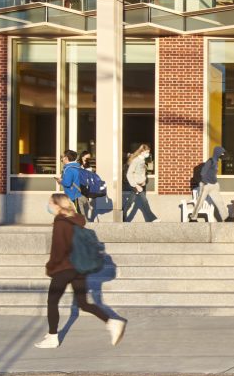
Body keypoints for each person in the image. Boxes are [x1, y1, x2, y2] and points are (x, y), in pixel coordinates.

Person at [34, 193, 125, 350]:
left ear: (57, 205)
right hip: (79, 268)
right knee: (83, 303)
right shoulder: (75, 220)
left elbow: (59, 248)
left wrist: (51, 267)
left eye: (50, 203)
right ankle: (112, 322)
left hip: (64, 267)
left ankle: (53, 337)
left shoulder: (60, 222)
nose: (49, 206)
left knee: (52, 302)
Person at [124, 144, 157, 223]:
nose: (148, 154)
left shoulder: (142, 161)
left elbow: (141, 173)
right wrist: (135, 185)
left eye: (148, 152)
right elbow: (129, 174)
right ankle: (152, 218)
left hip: (141, 185)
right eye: (147, 152)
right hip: (136, 185)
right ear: (142, 152)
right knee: (145, 201)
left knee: (130, 202)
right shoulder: (136, 160)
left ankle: (122, 216)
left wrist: (143, 181)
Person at [196, 147, 227, 222]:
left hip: (213, 185)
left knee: (220, 202)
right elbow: (203, 172)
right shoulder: (210, 161)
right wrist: (205, 182)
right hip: (206, 185)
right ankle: (193, 218)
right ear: (217, 153)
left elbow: (212, 174)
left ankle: (226, 217)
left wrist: (215, 182)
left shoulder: (216, 162)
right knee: (200, 202)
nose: (223, 155)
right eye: (221, 153)